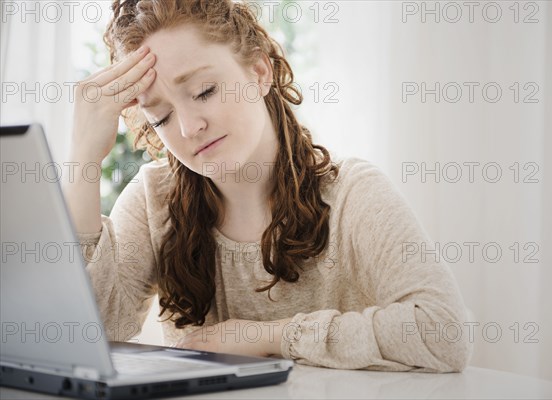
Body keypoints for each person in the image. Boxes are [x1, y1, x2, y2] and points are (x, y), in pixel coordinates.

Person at [65, 0, 473, 372]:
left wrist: (268, 338)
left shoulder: (353, 194)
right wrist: (84, 158)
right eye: (161, 118)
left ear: (260, 72)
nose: (189, 128)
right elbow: (87, 340)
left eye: (204, 91)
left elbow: (444, 332)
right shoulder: (154, 200)